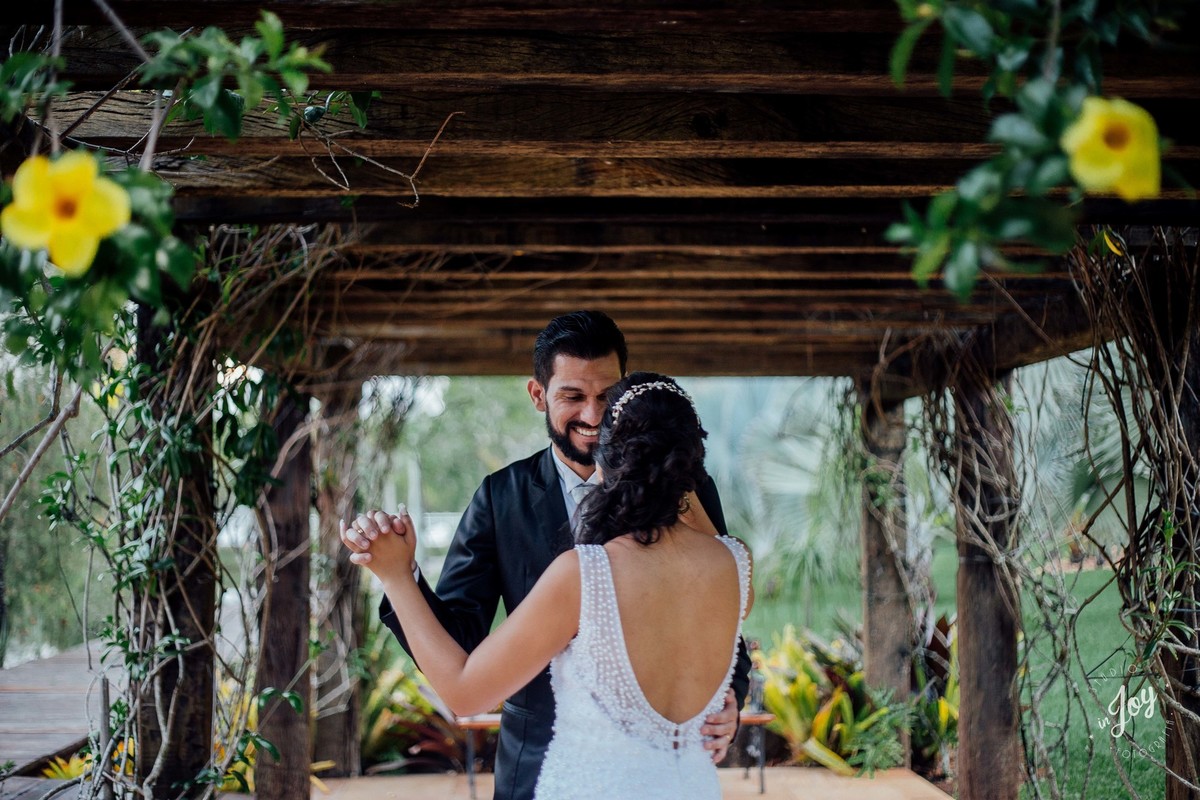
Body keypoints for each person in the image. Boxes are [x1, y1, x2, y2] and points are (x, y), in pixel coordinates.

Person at [342, 311, 750, 800]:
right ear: (538, 395)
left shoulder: (686, 496)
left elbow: (719, 624)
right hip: (539, 767)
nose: (594, 417)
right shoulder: (501, 496)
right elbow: (461, 636)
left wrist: (730, 698)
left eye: (606, 398)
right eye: (573, 397)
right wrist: (405, 575)